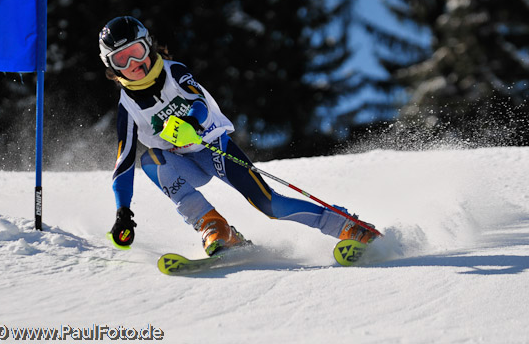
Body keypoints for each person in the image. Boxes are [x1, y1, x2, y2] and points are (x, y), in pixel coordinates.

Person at [99, 16, 377, 256]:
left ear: (148, 46)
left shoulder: (174, 72)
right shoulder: (128, 107)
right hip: (182, 164)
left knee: (270, 204)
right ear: (111, 67)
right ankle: (215, 226)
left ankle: (348, 226)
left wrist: (193, 125)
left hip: (213, 148)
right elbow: (123, 162)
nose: (133, 62)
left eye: (136, 51)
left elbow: (199, 102)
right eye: (121, 59)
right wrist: (122, 211)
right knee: (149, 160)